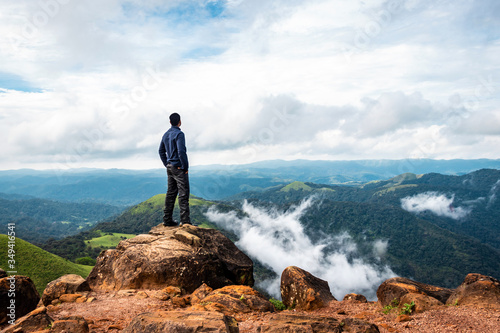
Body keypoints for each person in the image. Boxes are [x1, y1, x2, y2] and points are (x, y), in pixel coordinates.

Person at [159, 113, 191, 226]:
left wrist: (167, 163)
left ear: (170, 122)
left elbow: (161, 151)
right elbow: (181, 151)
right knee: (183, 193)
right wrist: (185, 167)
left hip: (170, 168)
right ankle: (185, 221)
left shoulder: (166, 134)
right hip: (178, 167)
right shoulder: (179, 134)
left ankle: (167, 220)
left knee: (171, 194)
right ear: (180, 121)